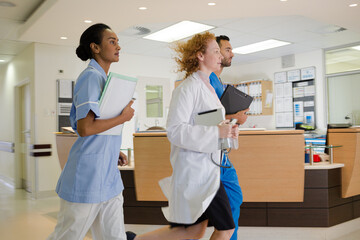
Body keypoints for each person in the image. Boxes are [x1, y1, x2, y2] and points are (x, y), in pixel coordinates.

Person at [128, 32, 238, 240]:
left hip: (208, 170)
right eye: (215, 51)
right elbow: (176, 130)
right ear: (200, 56)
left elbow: (207, 123)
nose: (220, 55)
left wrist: (227, 131)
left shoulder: (209, 88)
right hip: (195, 172)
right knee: (224, 228)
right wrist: (216, 131)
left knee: (191, 231)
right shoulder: (188, 88)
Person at [47, 23, 135, 240]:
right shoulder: (90, 77)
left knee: (114, 236)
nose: (118, 47)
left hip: (108, 177)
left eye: (118, 42)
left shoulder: (105, 80)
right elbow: (86, 128)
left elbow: (101, 124)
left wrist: (113, 150)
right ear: (95, 47)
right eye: (112, 41)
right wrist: (123, 117)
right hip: (88, 176)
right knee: (68, 236)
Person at [209, 35, 248, 240]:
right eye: (226, 49)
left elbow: (216, 116)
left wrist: (235, 119)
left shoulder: (219, 83)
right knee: (193, 223)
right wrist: (233, 116)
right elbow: (201, 119)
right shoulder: (204, 81)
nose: (231, 53)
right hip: (208, 157)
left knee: (234, 199)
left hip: (221, 153)